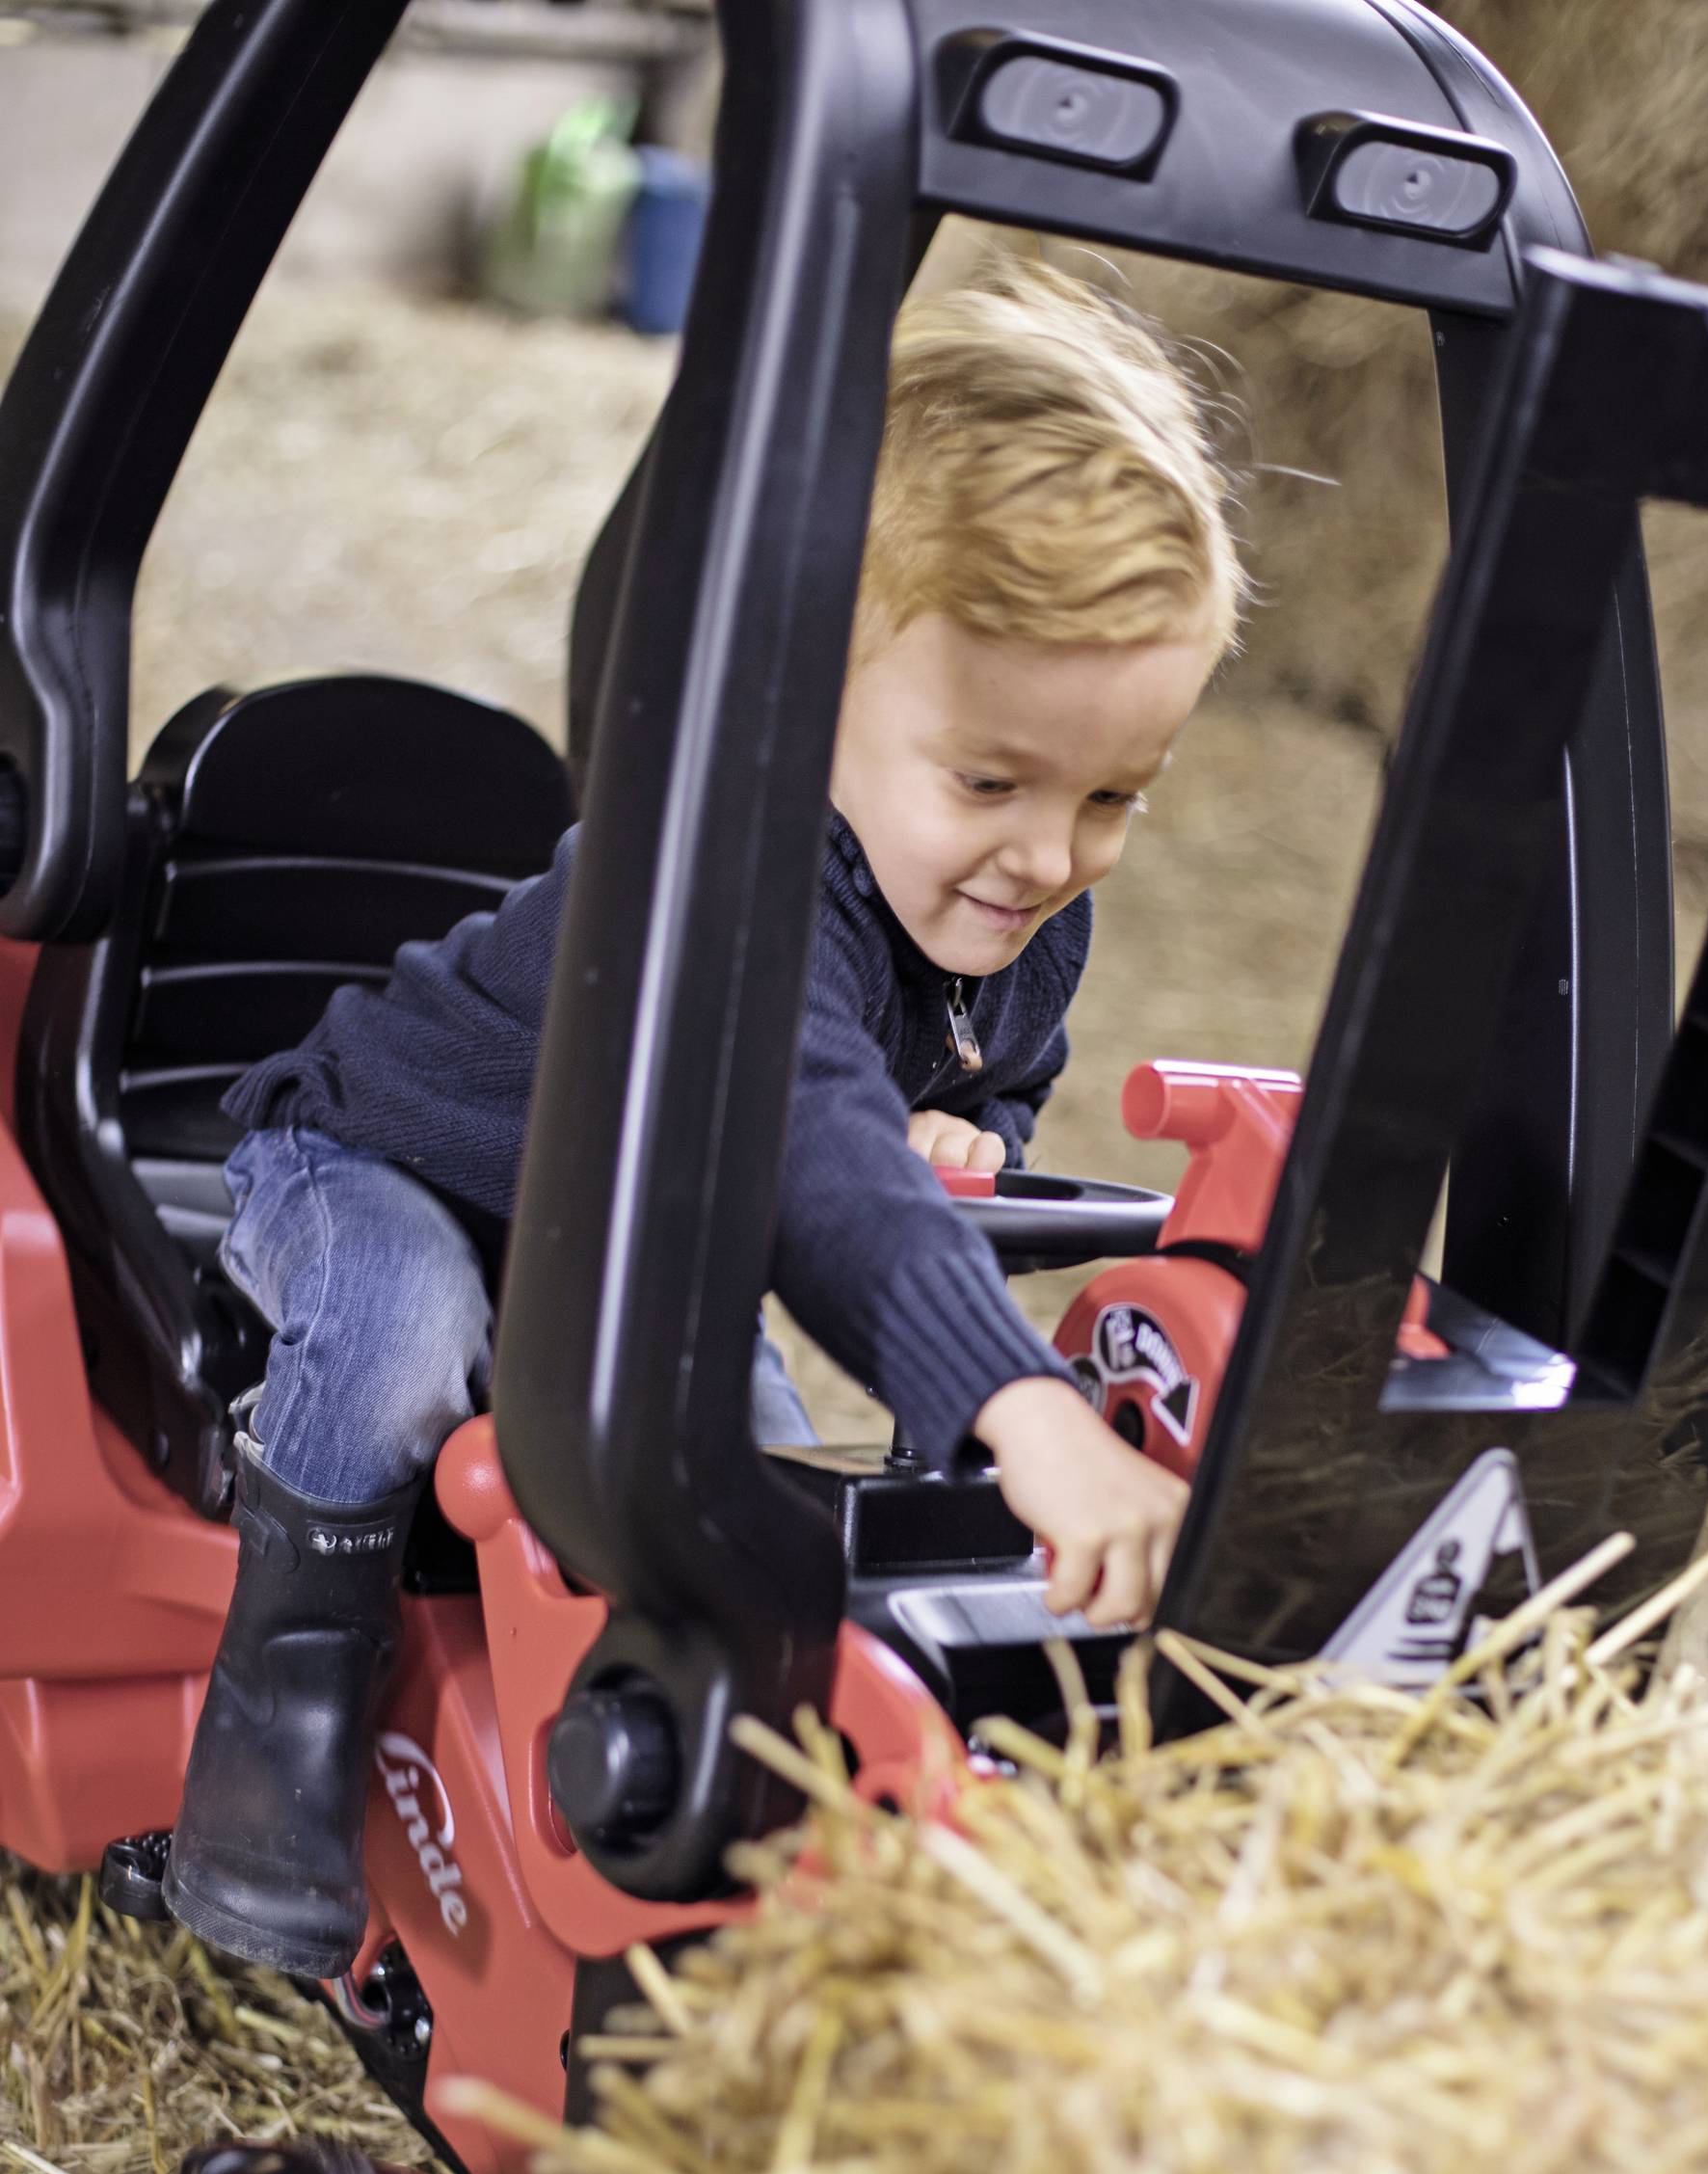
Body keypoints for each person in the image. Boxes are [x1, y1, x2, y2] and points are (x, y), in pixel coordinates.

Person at [162, 261, 1248, 1979]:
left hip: (630, 1234)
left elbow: (978, 1076)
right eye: (990, 781)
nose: (1051, 854)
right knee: (400, 1334)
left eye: (1115, 794)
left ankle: (649, 1819)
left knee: (742, 1479)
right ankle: (282, 1708)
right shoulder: (734, 880)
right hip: (390, 1160)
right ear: (802, 700)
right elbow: (809, 1147)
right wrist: (1026, 1412)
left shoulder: (1025, 909)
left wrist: (976, 1135)